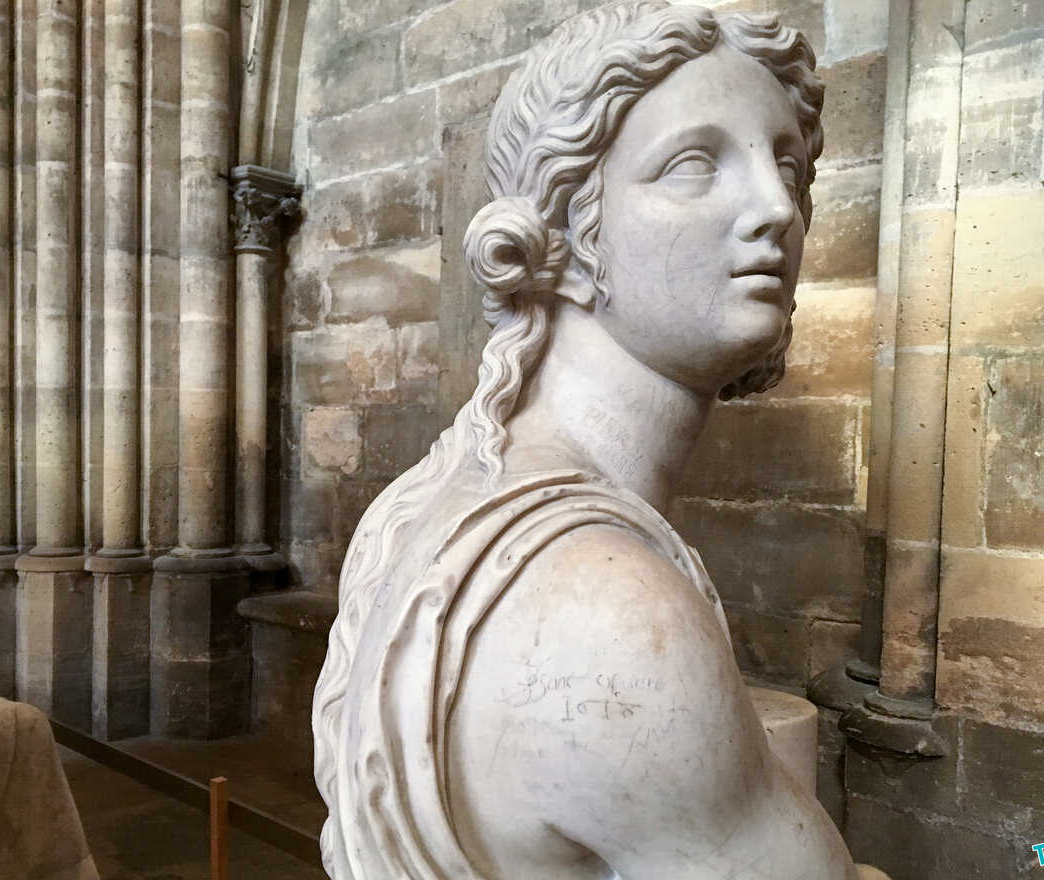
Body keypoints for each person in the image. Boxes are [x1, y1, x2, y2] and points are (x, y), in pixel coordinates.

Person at [312, 3, 860, 877]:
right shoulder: (608, 617)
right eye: (694, 164)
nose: (776, 210)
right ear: (560, 234)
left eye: (787, 166)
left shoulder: (420, 501)